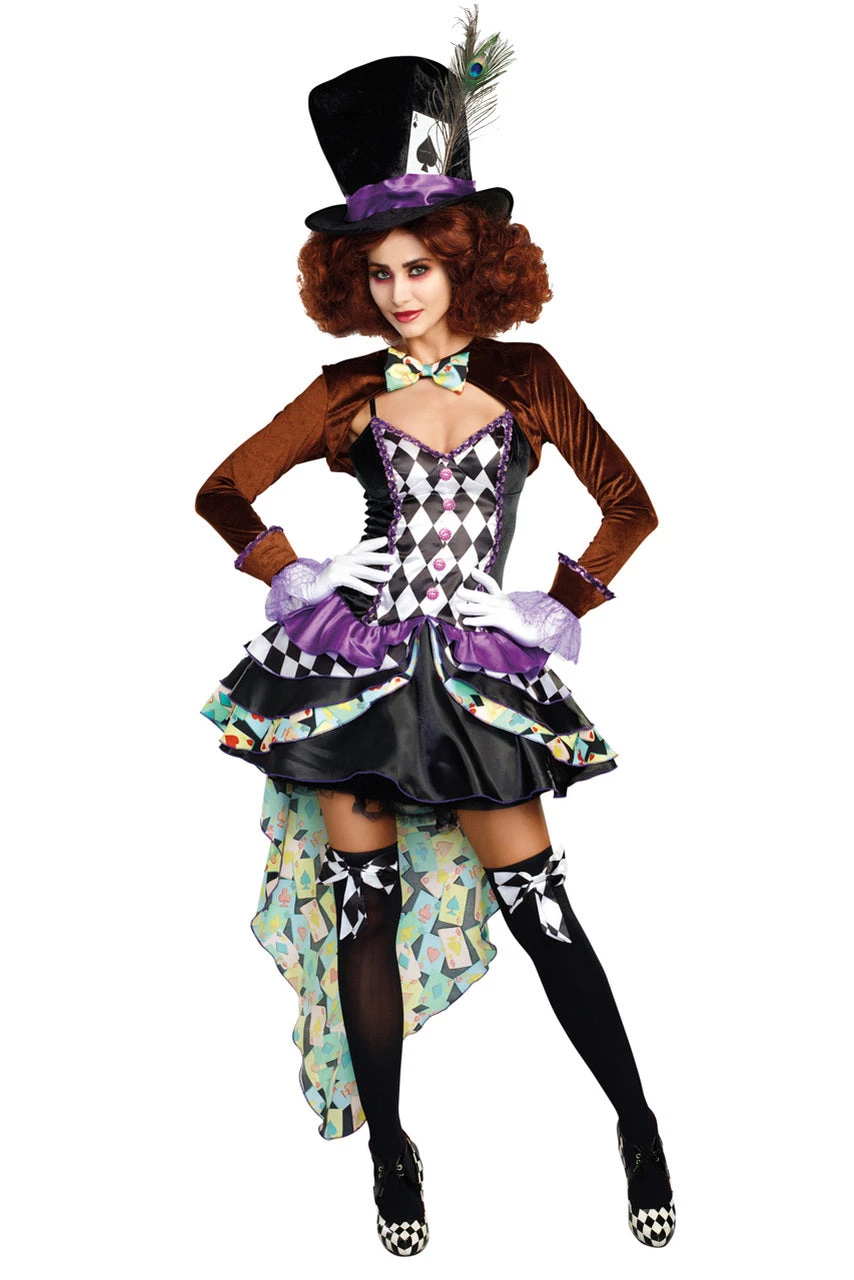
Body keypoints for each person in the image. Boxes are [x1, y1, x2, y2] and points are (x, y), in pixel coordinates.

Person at [196, 37, 675, 1258]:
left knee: (543, 908)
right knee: (360, 913)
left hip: (473, 677)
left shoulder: (525, 376)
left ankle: (636, 1123)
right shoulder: (344, 391)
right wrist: (292, 567)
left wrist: (554, 603)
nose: (400, 291)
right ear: (351, 278)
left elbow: (630, 505)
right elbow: (221, 491)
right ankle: (391, 1150)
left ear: (465, 259)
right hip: (354, 676)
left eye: (419, 265)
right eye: (379, 270)